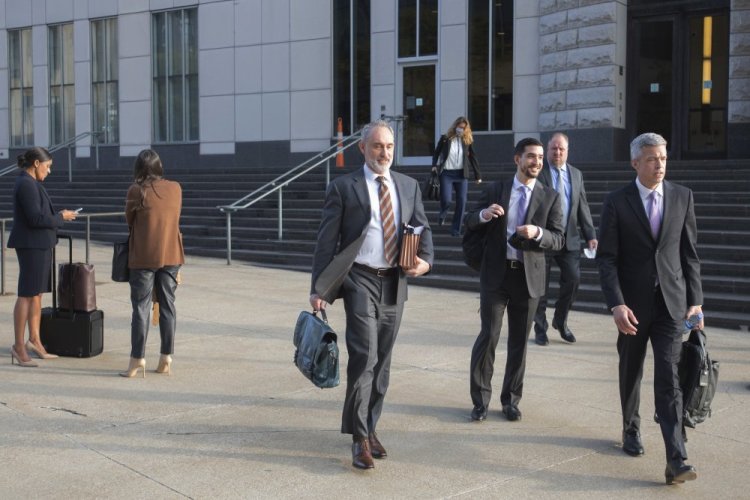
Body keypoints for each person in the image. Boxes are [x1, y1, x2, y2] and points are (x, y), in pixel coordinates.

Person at [309, 119, 434, 470]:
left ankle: (371, 427)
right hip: (359, 279)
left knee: (382, 364)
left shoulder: (408, 186)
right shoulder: (344, 188)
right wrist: (318, 288)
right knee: (364, 357)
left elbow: (423, 229)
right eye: (378, 146)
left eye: (390, 146)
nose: (384, 153)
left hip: (395, 282)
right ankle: (359, 438)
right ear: (362, 148)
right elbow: (326, 241)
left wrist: (425, 262)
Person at [596, 133, 703, 485]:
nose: (660, 164)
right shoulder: (617, 201)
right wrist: (616, 303)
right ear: (635, 163)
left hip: (671, 304)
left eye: (663, 158)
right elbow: (607, 258)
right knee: (631, 370)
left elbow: (689, 254)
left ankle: (676, 458)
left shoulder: (682, 196)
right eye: (652, 159)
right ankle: (631, 428)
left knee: (669, 378)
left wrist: (695, 300)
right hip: (632, 306)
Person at [465, 138, 564, 422]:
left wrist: (538, 234)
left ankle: (510, 400)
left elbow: (559, 239)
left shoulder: (550, 196)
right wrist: (483, 215)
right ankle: (480, 401)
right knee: (489, 337)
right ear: (517, 160)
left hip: (528, 278)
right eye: (531, 156)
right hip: (496, 274)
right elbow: (470, 221)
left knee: (519, 342)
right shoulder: (496, 189)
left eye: (540, 157)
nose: (537, 162)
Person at [8, 147, 77, 367]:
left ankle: (34, 340)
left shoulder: (33, 183)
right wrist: (61, 217)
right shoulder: (25, 184)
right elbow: (36, 218)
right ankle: (19, 346)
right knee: (27, 294)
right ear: (36, 163)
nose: (48, 172)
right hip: (31, 247)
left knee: (36, 294)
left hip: (40, 245)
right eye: (47, 167)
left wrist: (57, 217)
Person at [121, 149, 185, 378]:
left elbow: (129, 220)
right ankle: (166, 357)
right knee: (168, 306)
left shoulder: (136, 190)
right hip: (171, 254)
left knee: (141, 308)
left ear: (139, 168)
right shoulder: (176, 188)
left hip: (144, 256)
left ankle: (137, 359)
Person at [533, 132, 597, 345]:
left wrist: (590, 235)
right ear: (547, 150)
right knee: (540, 288)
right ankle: (540, 328)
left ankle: (560, 320)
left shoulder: (576, 174)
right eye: (553, 149)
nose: (557, 152)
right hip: (543, 237)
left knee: (573, 280)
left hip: (569, 238)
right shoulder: (538, 173)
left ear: (567, 151)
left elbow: (583, 206)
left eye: (561, 149)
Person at [431, 116, 481, 237]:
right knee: (447, 199)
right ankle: (443, 213)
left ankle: (455, 230)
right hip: (447, 173)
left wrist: (477, 175)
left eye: (463, 128)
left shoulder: (467, 141)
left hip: (461, 175)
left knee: (462, 201)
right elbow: (436, 152)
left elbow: (472, 157)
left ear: (466, 129)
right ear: (455, 126)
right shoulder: (445, 138)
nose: (461, 129)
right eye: (459, 127)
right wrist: (434, 165)